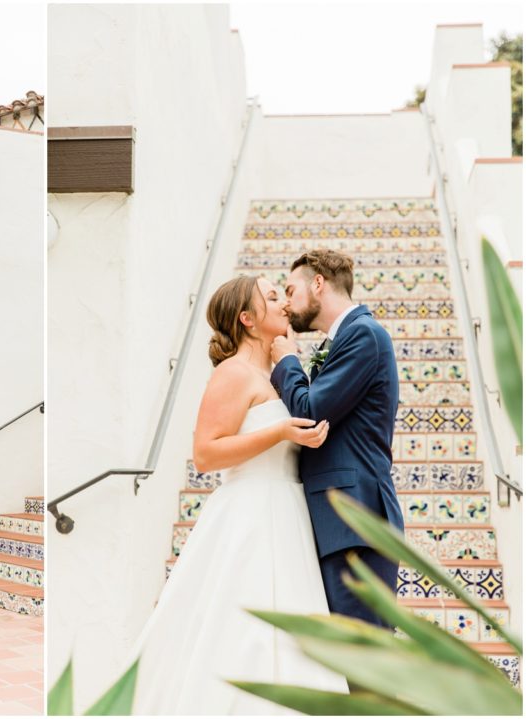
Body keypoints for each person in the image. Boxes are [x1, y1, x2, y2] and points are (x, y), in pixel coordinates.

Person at [129, 275, 347, 715]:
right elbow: (206, 455)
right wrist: (279, 431)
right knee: (237, 630)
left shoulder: (275, 375)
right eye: (271, 297)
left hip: (288, 516)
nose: (284, 305)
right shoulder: (233, 373)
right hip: (248, 514)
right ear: (247, 320)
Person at [271, 249, 404, 626]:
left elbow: (310, 413)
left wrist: (287, 362)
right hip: (340, 524)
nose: (287, 303)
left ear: (318, 283)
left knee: (365, 665)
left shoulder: (364, 334)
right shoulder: (342, 339)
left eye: (290, 289)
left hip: (355, 523)